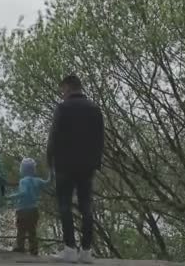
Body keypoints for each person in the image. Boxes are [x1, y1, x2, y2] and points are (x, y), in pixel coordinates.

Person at [47, 75, 104, 264]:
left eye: (62, 89)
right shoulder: (95, 109)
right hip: (87, 165)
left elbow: (54, 136)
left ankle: (70, 249)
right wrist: (96, 163)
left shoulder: (62, 108)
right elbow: (99, 139)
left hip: (65, 165)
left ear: (69, 88)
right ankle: (86, 251)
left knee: (64, 204)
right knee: (86, 206)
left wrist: (50, 160)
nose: (62, 94)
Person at [7, 158, 52, 256]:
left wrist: (11, 197)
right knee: (32, 231)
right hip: (34, 210)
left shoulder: (23, 181)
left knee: (21, 230)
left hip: (22, 210)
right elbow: (48, 182)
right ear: (33, 169)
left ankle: (20, 247)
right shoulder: (38, 181)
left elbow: (23, 193)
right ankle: (34, 250)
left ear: (23, 169)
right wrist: (52, 171)